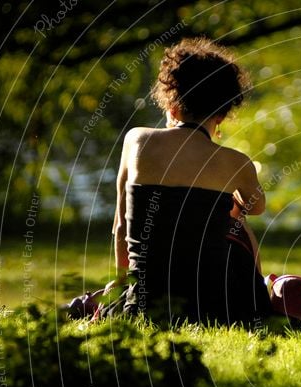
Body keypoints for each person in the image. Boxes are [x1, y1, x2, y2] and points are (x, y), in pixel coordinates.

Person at [108, 36, 271, 325]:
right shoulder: (236, 162)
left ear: (171, 104)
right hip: (213, 307)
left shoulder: (136, 140)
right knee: (237, 219)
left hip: (146, 302)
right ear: (222, 115)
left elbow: (121, 225)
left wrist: (122, 282)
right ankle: (258, 301)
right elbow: (256, 207)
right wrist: (232, 201)